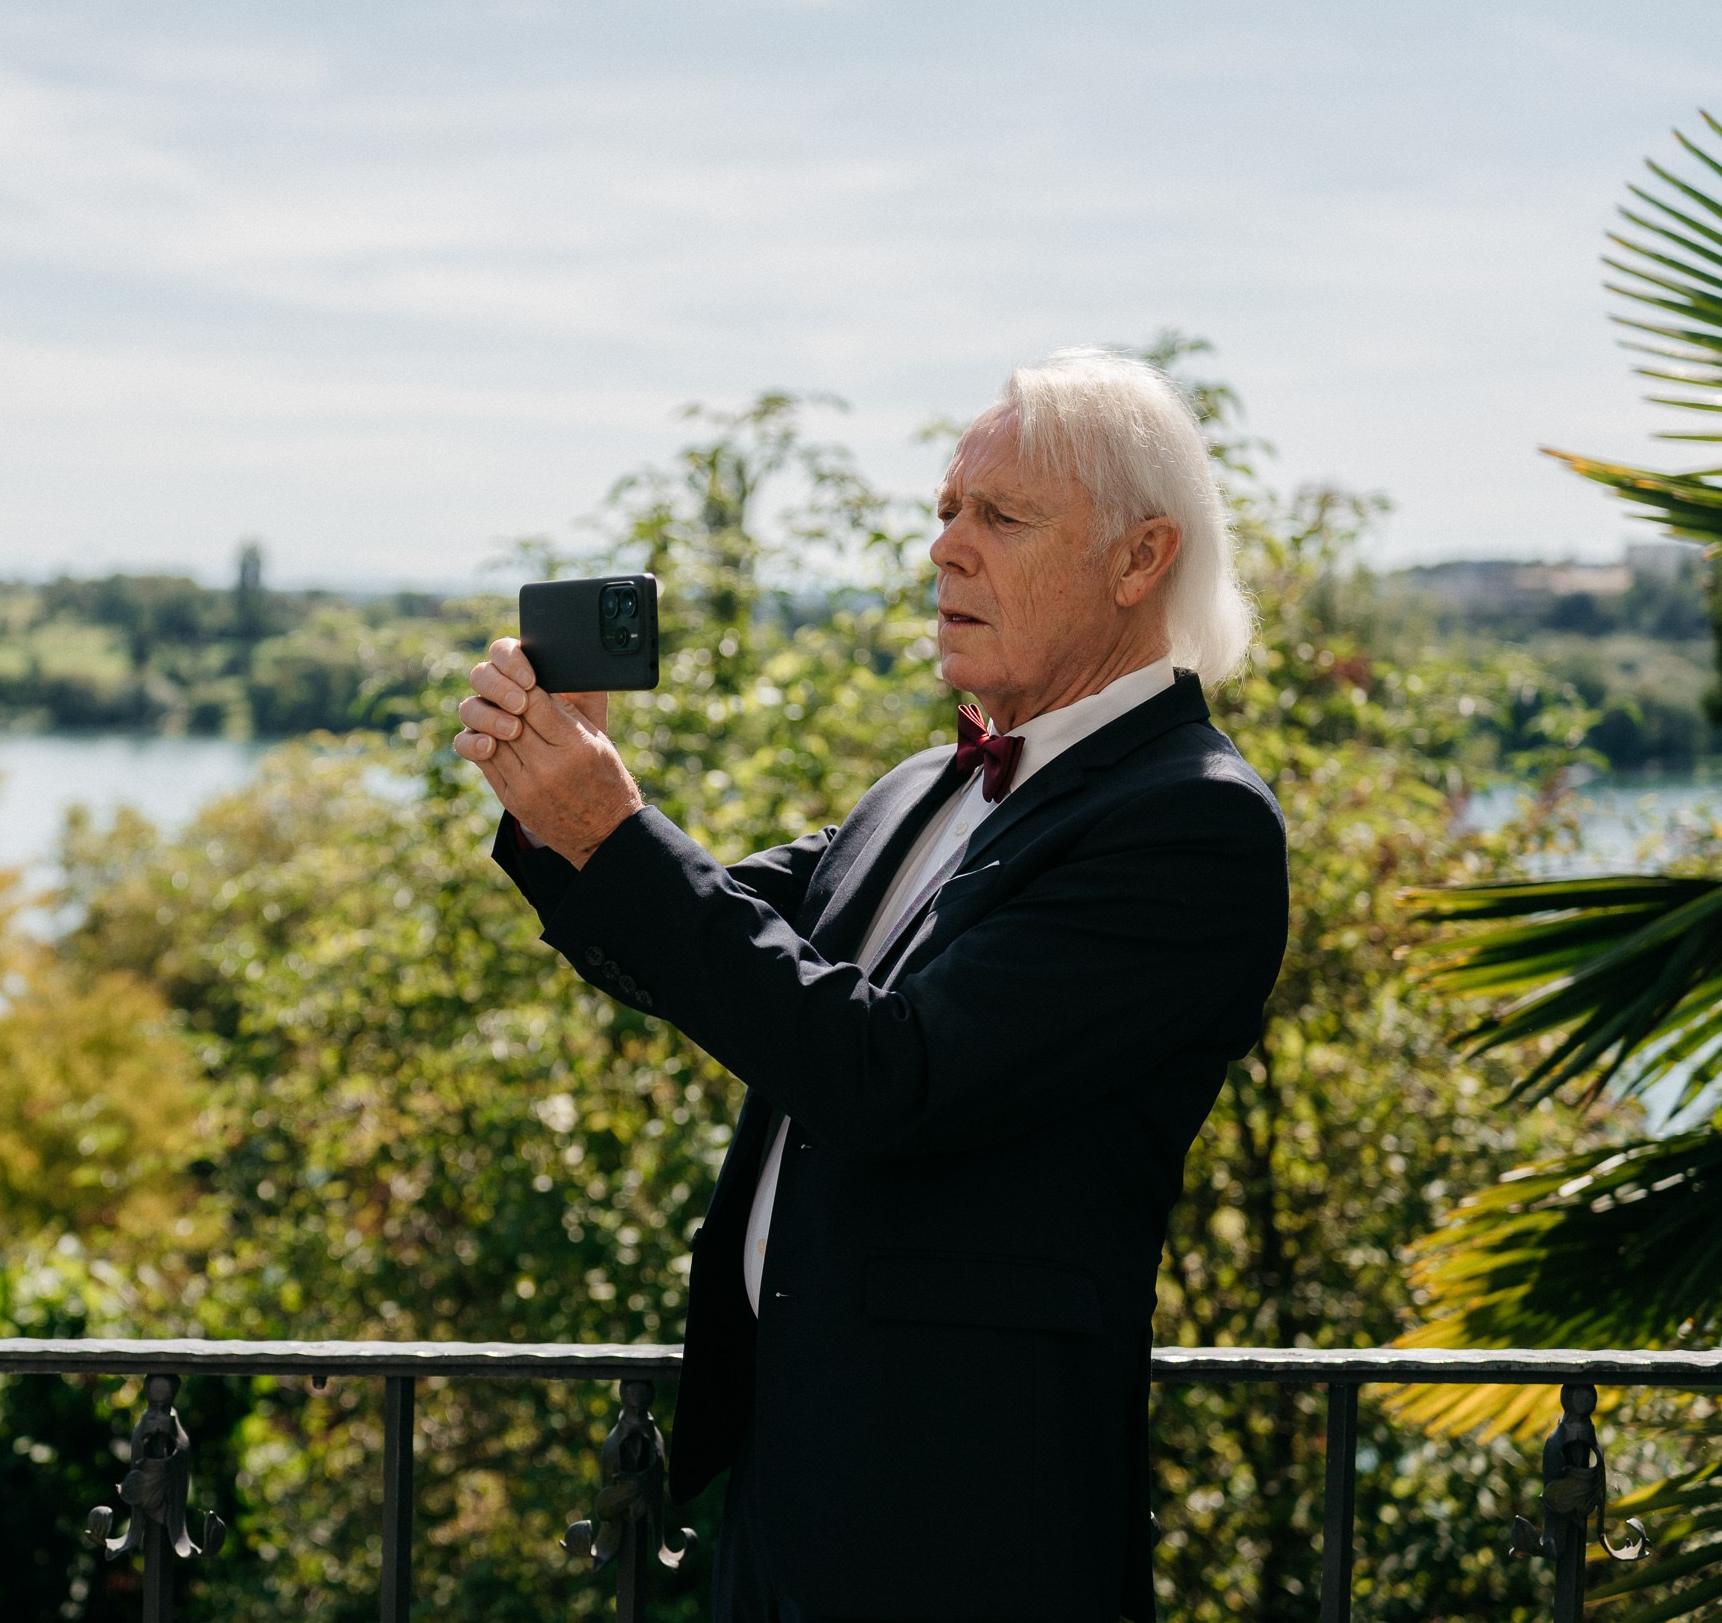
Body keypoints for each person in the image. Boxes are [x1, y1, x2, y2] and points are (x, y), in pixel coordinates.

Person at [454, 348, 1289, 1623]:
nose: (946, 548)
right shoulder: (925, 782)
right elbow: (704, 957)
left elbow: (888, 1074)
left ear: (1140, 558)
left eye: (999, 516)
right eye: (945, 509)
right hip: (791, 1482)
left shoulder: (1188, 822)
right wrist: (560, 814)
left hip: (966, 1523)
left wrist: (616, 833)